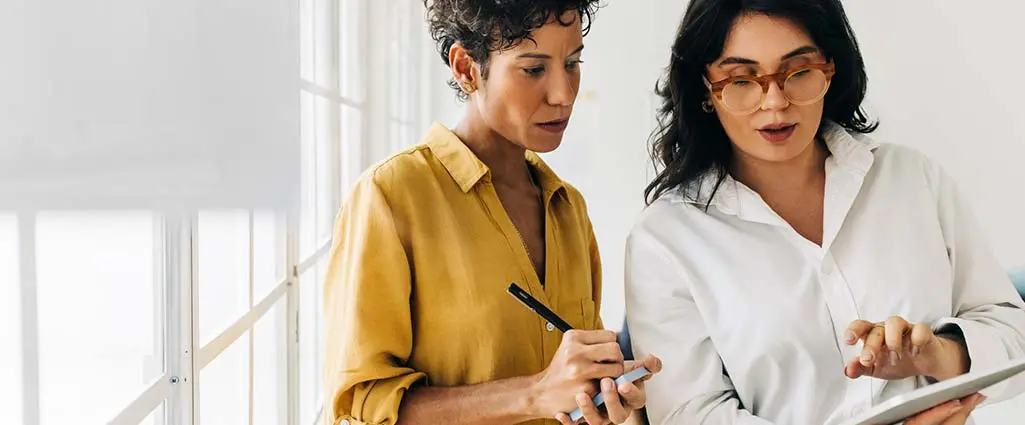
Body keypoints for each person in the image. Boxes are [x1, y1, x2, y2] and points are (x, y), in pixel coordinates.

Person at [624, 0, 1025, 424]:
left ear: (831, 69)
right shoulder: (666, 238)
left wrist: (939, 354)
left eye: (798, 71)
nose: (775, 102)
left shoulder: (911, 179)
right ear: (706, 89)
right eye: (741, 79)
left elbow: (1013, 334)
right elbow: (689, 414)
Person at [323, 1, 661, 425]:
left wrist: (604, 398)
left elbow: (568, 399)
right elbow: (362, 404)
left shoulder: (568, 209)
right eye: (534, 70)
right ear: (467, 68)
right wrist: (533, 394)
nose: (564, 93)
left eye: (572, 63)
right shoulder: (390, 196)